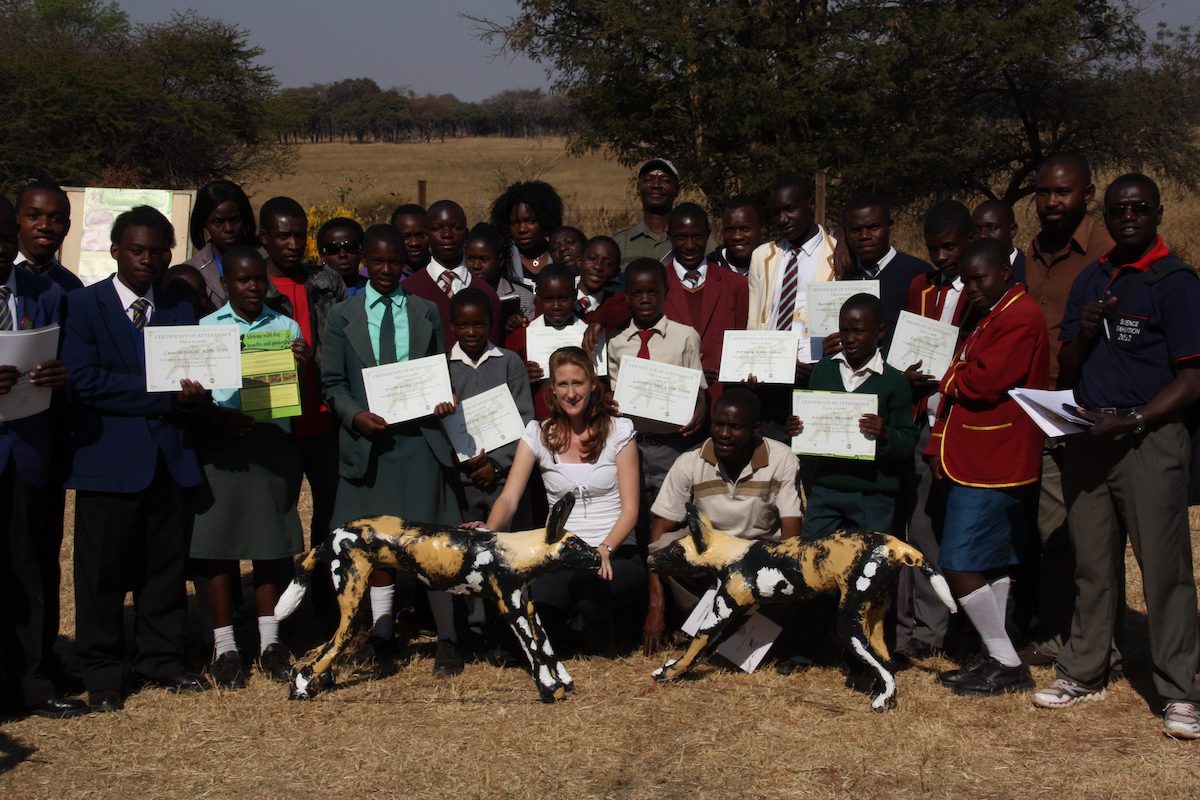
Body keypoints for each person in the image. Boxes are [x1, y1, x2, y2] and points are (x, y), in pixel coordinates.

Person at [1033, 174, 1200, 741]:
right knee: (1092, 563)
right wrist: (1079, 332)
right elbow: (1073, 366)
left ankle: (1180, 689)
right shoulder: (1094, 278)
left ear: (1157, 212)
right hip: (1090, 436)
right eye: (1118, 209)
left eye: (1139, 208)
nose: (1128, 216)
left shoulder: (1175, 283)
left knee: (1165, 569)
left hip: (1147, 437)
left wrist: (1132, 420)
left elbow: (1193, 378)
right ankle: (1084, 670)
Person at [64, 206, 210, 712]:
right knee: (102, 574)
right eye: (137, 250)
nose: (148, 259)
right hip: (109, 461)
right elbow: (86, 384)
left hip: (170, 460)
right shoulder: (83, 306)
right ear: (116, 251)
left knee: (164, 570)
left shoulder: (178, 309)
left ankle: (161, 658)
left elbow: (193, 380)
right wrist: (164, 396)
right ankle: (104, 671)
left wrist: (194, 395)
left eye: (158, 250)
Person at [322, 224, 465, 677]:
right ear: (365, 260)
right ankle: (382, 632)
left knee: (429, 542)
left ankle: (447, 638)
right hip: (372, 445)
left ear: (407, 262)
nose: (386, 270)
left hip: (419, 442)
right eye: (377, 261)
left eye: (394, 262)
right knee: (378, 542)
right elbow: (332, 384)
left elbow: (440, 370)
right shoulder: (341, 316)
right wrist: (355, 416)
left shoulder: (424, 311)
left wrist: (444, 399)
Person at [925, 238, 1048, 697]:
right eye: (967, 280)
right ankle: (995, 654)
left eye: (981, 278)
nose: (973, 287)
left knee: (957, 562)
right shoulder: (993, 312)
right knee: (990, 562)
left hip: (993, 459)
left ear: (1006, 272)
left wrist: (946, 373)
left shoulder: (1020, 316)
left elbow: (982, 380)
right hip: (979, 455)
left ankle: (1006, 660)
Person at [190, 246, 309, 690]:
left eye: (260, 280)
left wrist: (302, 364)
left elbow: (291, 389)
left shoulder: (286, 327)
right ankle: (225, 649)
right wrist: (215, 415)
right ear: (228, 284)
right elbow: (197, 393)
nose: (254, 287)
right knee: (219, 548)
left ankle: (271, 645)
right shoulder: (206, 329)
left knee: (271, 548)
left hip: (269, 445)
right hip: (223, 446)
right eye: (243, 280)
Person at [478, 347, 642, 654]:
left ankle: (602, 629)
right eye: (563, 385)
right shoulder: (538, 434)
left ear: (593, 383)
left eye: (578, 383)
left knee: (590, 590)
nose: (571, 393)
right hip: (562, 552)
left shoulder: (619, 431)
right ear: (553, 388)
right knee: (523, 624)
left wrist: (603, 551)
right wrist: (487, 533)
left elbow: (631, 510)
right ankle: (570, 632)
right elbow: (509, 498)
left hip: (615, 551)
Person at [1021, 154, 1116, 667]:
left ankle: (1101, 639)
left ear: (1088, 194)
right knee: (1050, 527)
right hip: (1035, 406)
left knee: (1090, 531)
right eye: (1043, 192)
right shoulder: (1029, 252)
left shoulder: (1106, 251)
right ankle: (1059, 634)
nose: (1052, 202)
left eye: (1063, 192)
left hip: (1086, 407)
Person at [0, 195, 85, 718]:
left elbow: (69, 359)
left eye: (5, 239)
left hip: (30, 452)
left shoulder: (45, 291)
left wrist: (61, 377)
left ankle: (31, 677)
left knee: (30, 566)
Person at [643, 388, 803, 654]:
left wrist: (779, 602)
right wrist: (655, 607)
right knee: (664, 547)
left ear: (755, 429)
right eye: (718, 424)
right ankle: (705, 620)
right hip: (712, 560)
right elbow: (658, 532)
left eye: (735, 426)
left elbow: (792, 536)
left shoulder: (782, 459)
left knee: (795, 558)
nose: (724, 434)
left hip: (759, 563)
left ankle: (759, 630)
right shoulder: (689, 462)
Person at [896, 199, 977, 658]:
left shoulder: (981, 289)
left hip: (961, 424)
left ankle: (970, 630)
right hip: (922, 418)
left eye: (950, 247)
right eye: (934, 249)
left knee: (962, 533)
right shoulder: (921, 289)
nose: (942, 257)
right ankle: (928, 632)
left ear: (968, 243)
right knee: (923, 532)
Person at [259, 197, 345, 581]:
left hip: (326, 420)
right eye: (283, 236)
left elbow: (344, 346)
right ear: (264, 238)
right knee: (278, 515)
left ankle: (328, 596)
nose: (293, 244)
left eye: (299, 235)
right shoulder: (252, 288)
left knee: (330, 516)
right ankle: (278, 602)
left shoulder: (327, 282)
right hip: (278, 425)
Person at [788, 293, 916, 537]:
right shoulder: (824, 370)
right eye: (843, 331)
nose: (849, 338)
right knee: (813, 556)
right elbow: (810, 421)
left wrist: (886, 433)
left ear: (880, 332)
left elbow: (908, 440)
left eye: (858, 331)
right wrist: (797, 427)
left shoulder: (893, 380)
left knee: (868, 563)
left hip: (873, 494)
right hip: (826, 488)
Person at [607, 258, 707, 537]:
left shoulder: (686, 336)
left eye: (652, 291)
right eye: (637, 293)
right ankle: (640, 576)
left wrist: (701, 408)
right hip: (632, 447)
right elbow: (614, 395)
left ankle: (667, 579)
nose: (645, 299)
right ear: (627, 296)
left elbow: (698, 386)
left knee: (673, 518)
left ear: (666, 292)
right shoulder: (616, 343)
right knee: (633, 516)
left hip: (673, 446)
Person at [443, 287, 535, 524]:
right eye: (463, 325)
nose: (471, 332)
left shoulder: (509, 362)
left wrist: (496, 465)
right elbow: (438, 427)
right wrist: (461, 461)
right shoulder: (442, 369)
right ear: (451, 326)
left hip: (507, 481)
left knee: (511, 551)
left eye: (479, 324)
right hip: (462, 484)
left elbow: (526, 420)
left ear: (491, 323)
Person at [661, 202, 748, 397]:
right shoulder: (655, 287)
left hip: (722, 401)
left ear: (708, 235)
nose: (690, 245)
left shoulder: (735, 285)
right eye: (681, 237)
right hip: (671, 400)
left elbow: (744, 342)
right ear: (669, 237)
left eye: (697, 237)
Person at [835, 193, 931, 354]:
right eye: (855, 230)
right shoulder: (840, 279)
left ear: (890, 227)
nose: (864, 236)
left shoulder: (919, 273)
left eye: (873, 227)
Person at [402, 200, 504, 348]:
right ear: (426, 235)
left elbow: (494, 355)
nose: (447, 234)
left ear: (466, 234)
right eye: (437, 228)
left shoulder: (487, 294)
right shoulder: (408, 291)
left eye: (456, 228)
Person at [507, 262, 593, 420]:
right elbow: (508, 384)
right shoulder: (520, 338)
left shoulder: (590, 334)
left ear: (575, 295)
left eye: (563, 298)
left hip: (584, 422)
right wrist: (522, 376)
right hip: (542, 423)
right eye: (548, 299)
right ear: (538, 296)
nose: (556, 306)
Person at [184, 179, 258, 308]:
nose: (228, 228)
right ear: (204, 224)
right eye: (218, 222)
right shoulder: (191, 271)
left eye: (235, 220)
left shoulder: (266, 262)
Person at [611, 158, 693, 270]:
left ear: (677, 189)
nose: (656, 185)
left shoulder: (696, 240)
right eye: (648, 179)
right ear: (638, 188)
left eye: (665, 180)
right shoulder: (618, 244)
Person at [490, 181, 564, 292]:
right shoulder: (501, 261)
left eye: (530, 221)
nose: (522, 229)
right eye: (515, 223)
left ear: (545, 220)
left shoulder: (561, 256)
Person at [13, 180, 83, 293]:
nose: (44, 226)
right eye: (33, 216)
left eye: (56, 219)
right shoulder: (5, 274)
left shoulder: (72, 287)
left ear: (67, 227)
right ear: (15, 220)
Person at [465, 222, 533, 328]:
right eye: (471, 259)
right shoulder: (457, 290)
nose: (476, 266)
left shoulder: (524, 298)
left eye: (483, 259)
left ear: (500, 261)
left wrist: (520, 327)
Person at [575, 235, 631, 333]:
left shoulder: (617, 305)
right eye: (592, 258)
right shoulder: (558, 298)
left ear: (616, 272)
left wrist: (601, 318)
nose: (598, 266)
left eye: (608, 263)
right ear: (580, 261)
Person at [708, 196, 766, 277]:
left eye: (745, 229)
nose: (737, 237)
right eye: (730, 229)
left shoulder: (776, 266)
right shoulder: (708, 269)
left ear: (762, 228)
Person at [970, 199, 1026, 284]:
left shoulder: (1029, 274)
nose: (982, 235)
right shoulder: (968, 278)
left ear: (1012, 230)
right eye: (977, 229)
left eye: (992, 228)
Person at [317, 217, 366, 297]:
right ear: (322, 256)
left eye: (350, 246)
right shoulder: (314, 296)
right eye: (333, 248)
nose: (342, 254)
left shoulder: (376, 291)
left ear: (361, 253)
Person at [389, 203, 431, 279]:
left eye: (421, 235)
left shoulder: (443, 272)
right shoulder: (384, 276)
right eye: (405, 237)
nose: (414, 243)